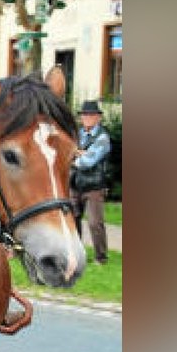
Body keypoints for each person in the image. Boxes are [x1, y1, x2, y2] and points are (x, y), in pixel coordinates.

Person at [70, 100, 111, 264]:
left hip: (94, 186)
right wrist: (78, 153)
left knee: (95, 223)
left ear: (98, 118)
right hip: (75, 184)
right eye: (84, 115)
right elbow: (67, 150)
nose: (87, 118)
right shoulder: (77, 134)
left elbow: (89, 161)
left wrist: (75, 156)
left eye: (91, 115)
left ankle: (101, 258)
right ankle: (77, 254)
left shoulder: (102, 137)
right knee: (73, 219)